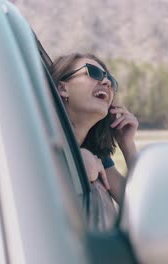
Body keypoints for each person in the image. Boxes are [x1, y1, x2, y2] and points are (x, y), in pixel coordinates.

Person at [50, 53, 138, 205]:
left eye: (111, 81)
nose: (107, 82)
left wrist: (127, 144)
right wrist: (78, 161)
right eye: (94, 73)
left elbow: (137, 205)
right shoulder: (37, 142)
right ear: (62, 88)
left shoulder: (98, 156)